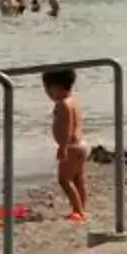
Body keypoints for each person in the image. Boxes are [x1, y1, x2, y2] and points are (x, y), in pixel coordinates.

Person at [45, 67, 88, 222]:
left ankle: (78, 211)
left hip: (71, 146)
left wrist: (63, 147)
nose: (48, 94)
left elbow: (66, 127)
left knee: (64, 180)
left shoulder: (62, 104)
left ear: (56, 87)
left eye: (48, 90)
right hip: (81, 145)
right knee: (79, 179)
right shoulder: (73, 101)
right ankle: (81, 208)